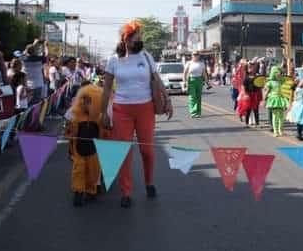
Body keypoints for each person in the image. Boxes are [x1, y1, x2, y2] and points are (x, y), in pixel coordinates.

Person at [101, 20, 172, 209]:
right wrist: (104, 112)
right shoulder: (113, 60)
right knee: (124, 152)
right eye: (135, 37)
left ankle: (149, 182)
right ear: (126, 40)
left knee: (147, 151)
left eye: (140, 36)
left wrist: (168, 100)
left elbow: (157, 80)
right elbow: (107, 87)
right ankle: (126, 192)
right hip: (121, 110)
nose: (139, 39)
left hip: (145, 109)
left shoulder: (147, 57)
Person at [66, 84, 105, 207]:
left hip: (93, 150)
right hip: (79, 149)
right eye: (85, 100)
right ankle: (78, 192)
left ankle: (91, 190)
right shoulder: (75, 114)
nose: (87, 103)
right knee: (79, 170)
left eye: (90, 101)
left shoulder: (98, 117)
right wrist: (70, 144)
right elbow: (69, 131)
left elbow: (103, 132)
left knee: (93, 170)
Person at [264, 66, 289, 137]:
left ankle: (281, 130)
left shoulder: (281, 81)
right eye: (277, 72)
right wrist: (264, 100)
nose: (279, 74)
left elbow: (288, 84)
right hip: (274, 100)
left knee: (281, 116)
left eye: (280, 73)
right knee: (275, 116)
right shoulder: (270, 82)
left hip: (281, 99)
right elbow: (266, 91)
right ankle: (275, 131)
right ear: (273, 73)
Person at [23, 39, 48, 105]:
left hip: (27, 85)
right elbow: (46, 55)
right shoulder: (39, 59)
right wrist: (45, 46)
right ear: (34, 51)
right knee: (36, 104)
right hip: (38, 84)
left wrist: (34, 44)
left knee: (28, 103)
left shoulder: (23, 59)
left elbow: (25, 52)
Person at [183, 51, 208, 118]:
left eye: (197, 54)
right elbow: (185, 73)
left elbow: (204, 73)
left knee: (198, 97)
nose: (196, 56)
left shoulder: (201, 63)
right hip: (191, 80)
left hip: (199, 80)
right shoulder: (189, 63)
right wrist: (184, 82)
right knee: (192, 97)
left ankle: (198, 112)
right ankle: (193, 112)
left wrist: (207, 82)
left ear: (199, 56)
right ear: (192, 55)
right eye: (194, 54)